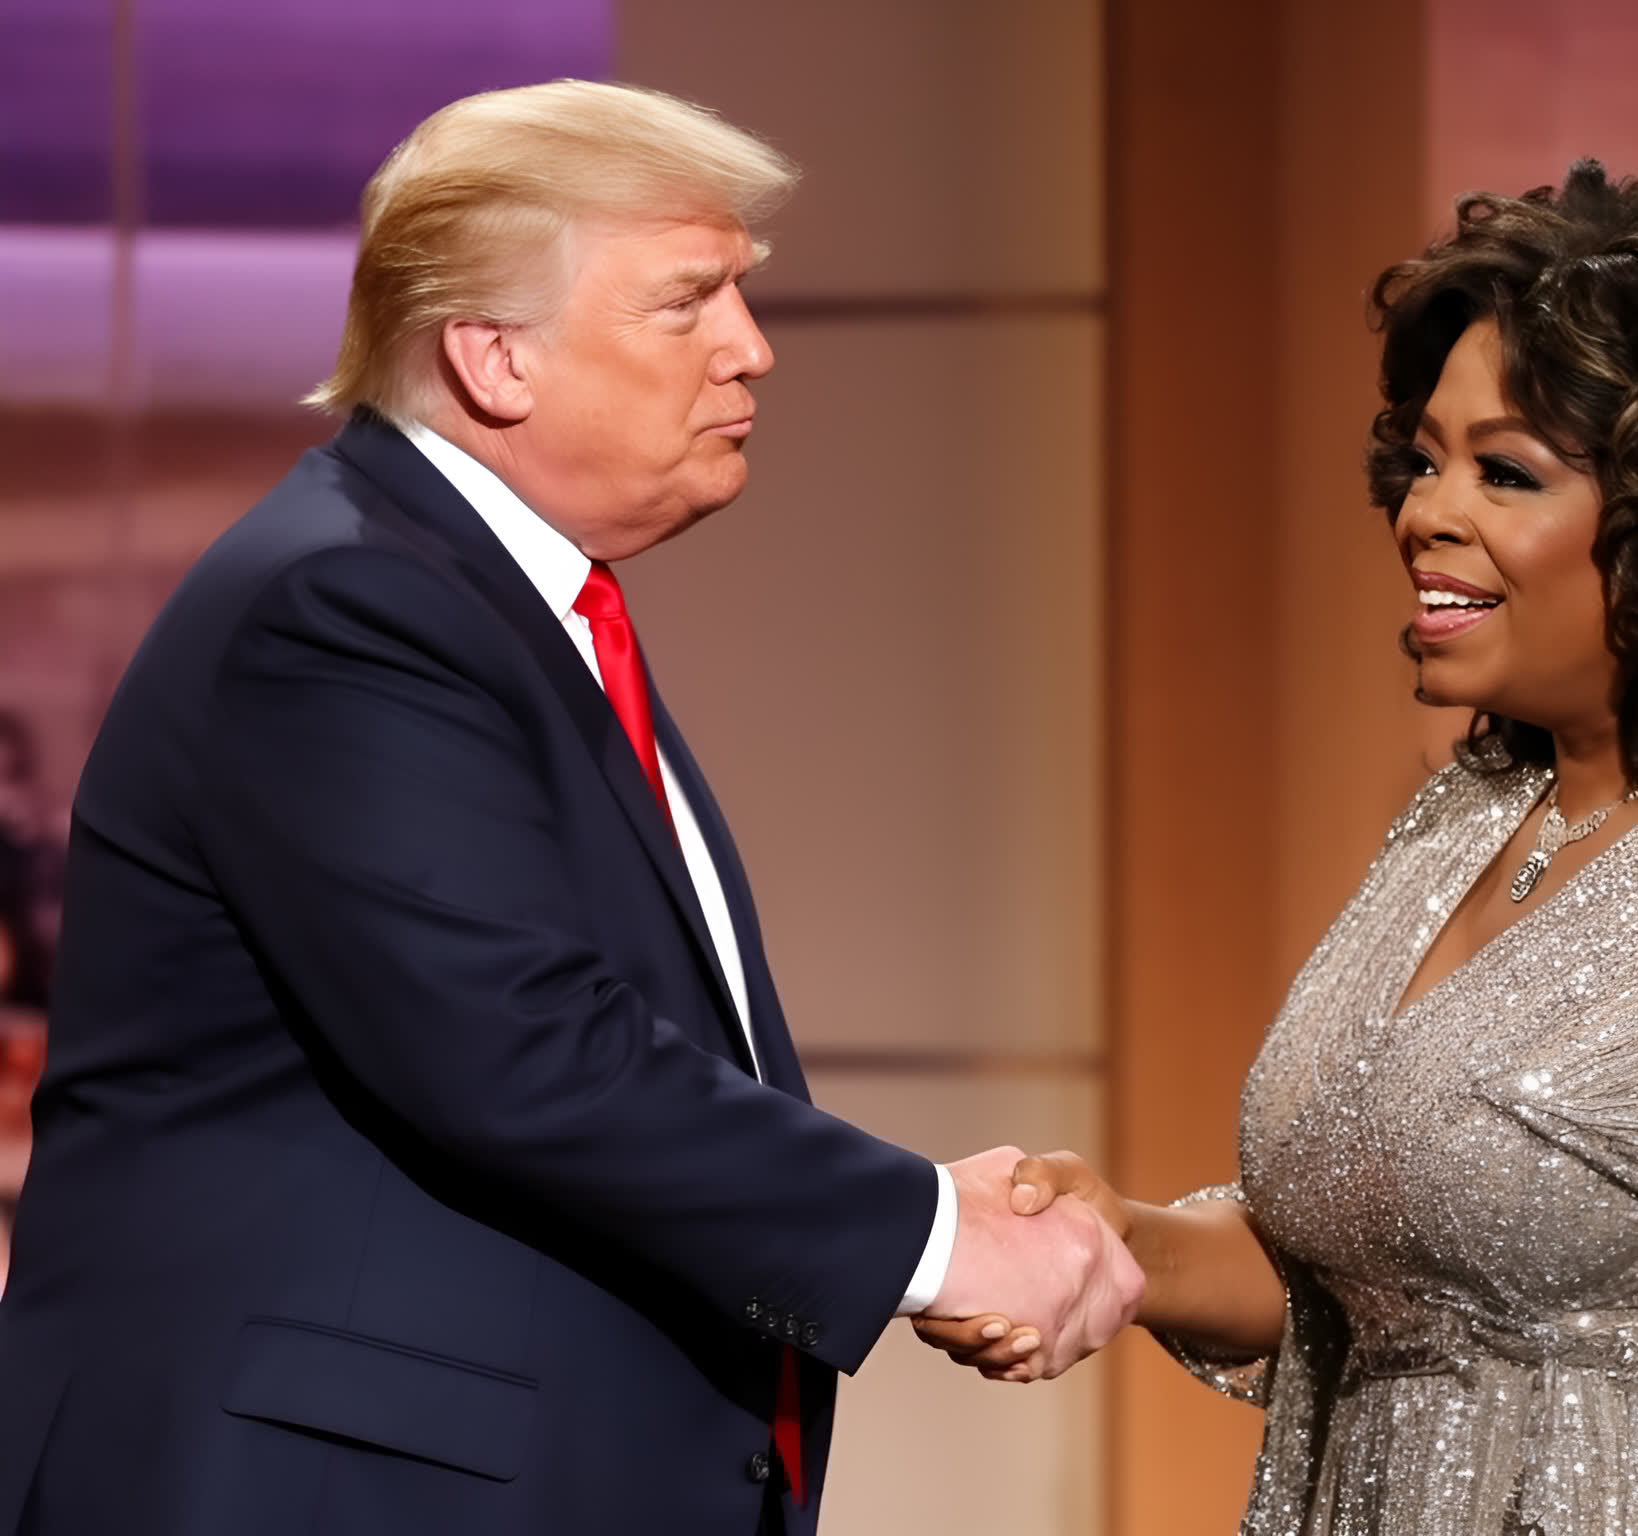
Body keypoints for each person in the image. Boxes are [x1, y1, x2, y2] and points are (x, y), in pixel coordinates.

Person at [0, 81, 1141, 1536]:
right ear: (495, 358)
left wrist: (928, 1216)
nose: (752, 348)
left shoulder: (486, 602)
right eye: (689, 301)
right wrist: (936, 1235)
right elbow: (525, 1052)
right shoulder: (348, 605)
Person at [920, 162, 1638, 1534]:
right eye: (1426, 460)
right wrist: (1124, 1242)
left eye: (1506, 472)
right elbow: (1390, 1285)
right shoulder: (1467, 818)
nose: (1425, 514)